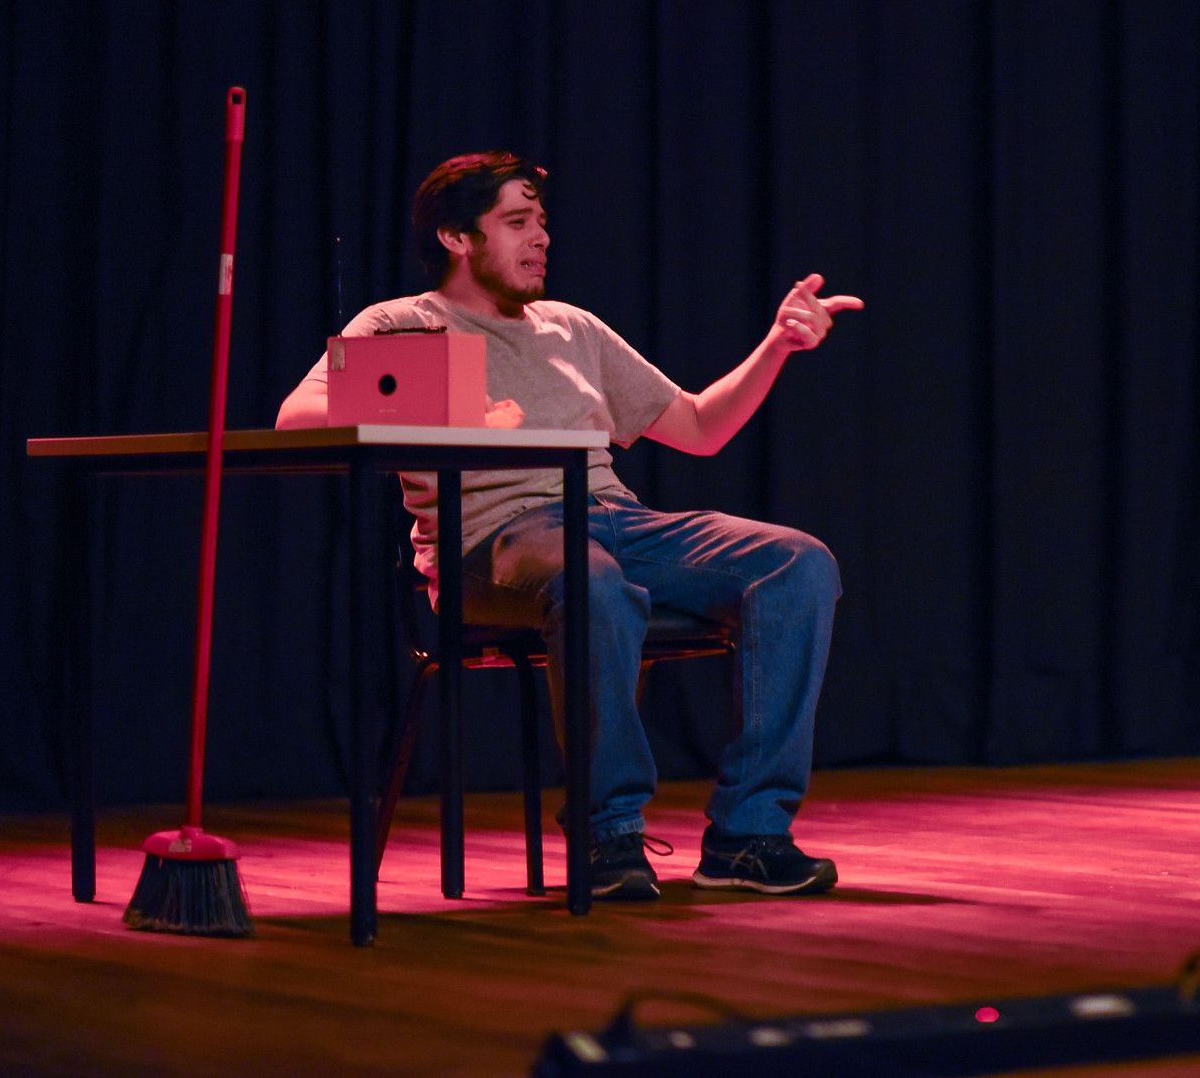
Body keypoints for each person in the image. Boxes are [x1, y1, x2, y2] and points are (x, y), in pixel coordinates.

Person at [278, 152, 862, 900]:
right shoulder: (401, 323)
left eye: (542, 222)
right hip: (493, 540)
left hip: (615, 518)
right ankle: (607, 832)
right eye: (517, 222)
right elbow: (296, 418)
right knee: (592, 582)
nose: (541, 237)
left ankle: (747, 834)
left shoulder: (571, 327)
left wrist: (777, 344)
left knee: (797, 562)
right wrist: (447, 406)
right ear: (457, 238)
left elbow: (699, 426)